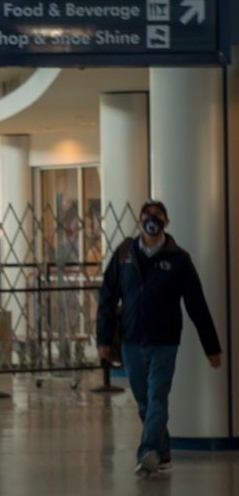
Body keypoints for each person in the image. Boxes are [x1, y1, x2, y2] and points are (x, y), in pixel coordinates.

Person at [96, 200, 222, 478]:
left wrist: (211, 347)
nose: (152, 220)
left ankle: (147, 453)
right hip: (131, 341)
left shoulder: (179, 259)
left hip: (164, 342)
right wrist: (103, 338)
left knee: (156, 398)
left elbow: (196, 304)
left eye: (157, 216)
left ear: (167, 221)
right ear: (139, 221)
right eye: (147, 216)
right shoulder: (124, 254)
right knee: (145, 401)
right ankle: (163, 455)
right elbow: (107, 296)